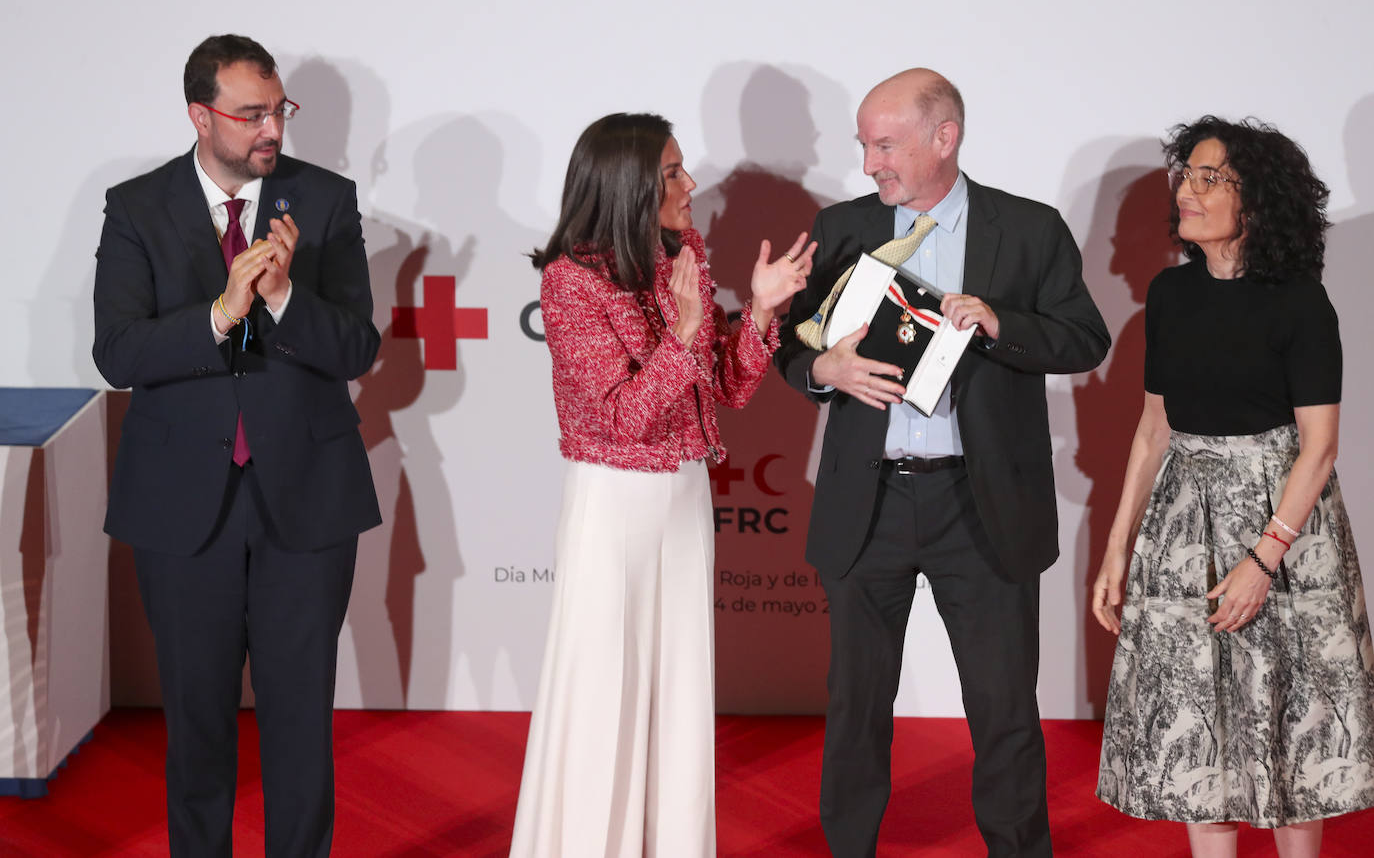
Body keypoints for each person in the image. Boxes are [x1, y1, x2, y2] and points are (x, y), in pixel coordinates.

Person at [774, 68, 1110, 857]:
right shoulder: (845, 227)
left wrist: (1000, 322)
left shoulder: (1028, 230)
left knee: (1002, 711)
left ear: (944, 138)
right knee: (856, 707)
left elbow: (1085, 338)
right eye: (864, 144)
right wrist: (825, 371)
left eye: (884, 144)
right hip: (869, 504)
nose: (869, 164)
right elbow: (790, 346)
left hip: (982, 506)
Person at [92, 34, 380, 858]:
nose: (271, 130)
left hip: (307, 500)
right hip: (184, 506)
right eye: (250, 113)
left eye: (278, 109)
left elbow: (357, 347)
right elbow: (117, 353)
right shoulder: (136, 207)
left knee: (300, 727)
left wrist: (285, 297)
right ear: (199, 114)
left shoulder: (324, 200)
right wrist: (220, 313)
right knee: (198, 726)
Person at [509, 112, 815, 858]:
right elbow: (623, 419)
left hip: (682, 502)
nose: (690, 183)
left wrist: (763, 314)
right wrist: (681, 336)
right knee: (603, 694)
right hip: (611, 506)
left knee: (677, 694)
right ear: (628, 187)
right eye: (673, 173)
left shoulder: (683, 256)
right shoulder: (570, 282)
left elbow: (730, 388)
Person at [1092, 116, 1374, 857]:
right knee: (1197, 726)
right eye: (1186, 173)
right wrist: (1118, 546)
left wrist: (1264, 558)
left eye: (1209, 178)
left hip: (1283, 528)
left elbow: (1319, 447)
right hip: (1183, 531)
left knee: (1289, 721)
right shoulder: (1170, 294)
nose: (1187, 188)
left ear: (1256, 201)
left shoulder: (1299, 303)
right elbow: (1154, 429)